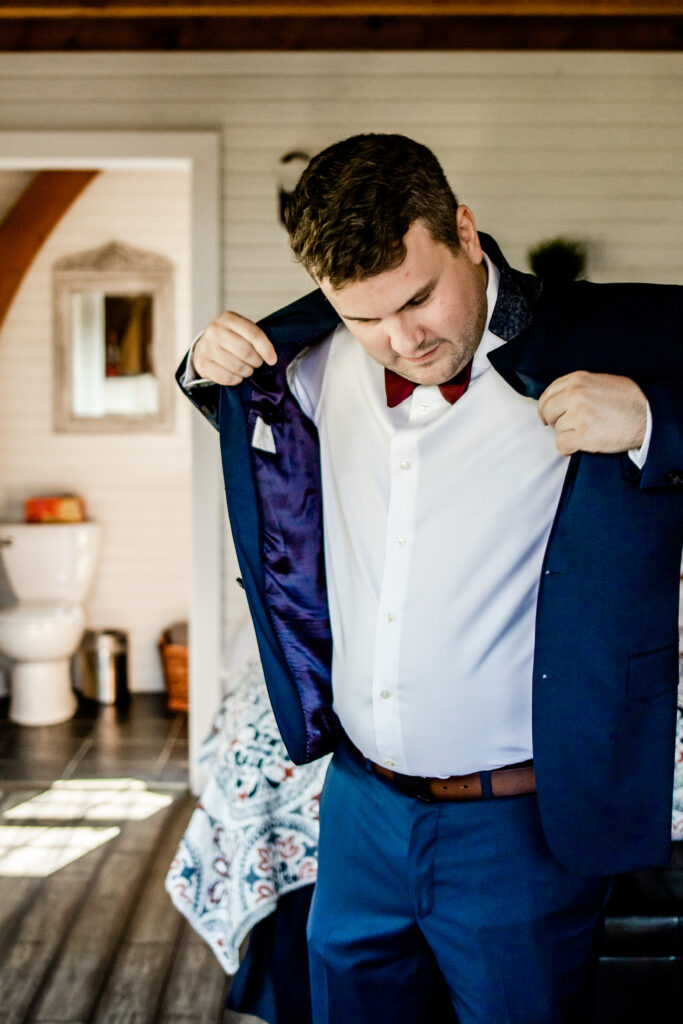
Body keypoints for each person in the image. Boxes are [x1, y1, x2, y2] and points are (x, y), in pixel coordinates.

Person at [178, 133, 683, 1024]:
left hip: (522, 827)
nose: (401, 340)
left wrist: (654, 419)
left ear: (463, 229)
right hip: (359, 809)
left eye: (418, 298)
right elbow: (235, 410)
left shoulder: (611, 335)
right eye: (363, 315)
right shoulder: (307, 359)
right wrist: (197, 366)